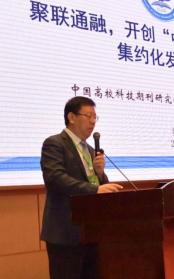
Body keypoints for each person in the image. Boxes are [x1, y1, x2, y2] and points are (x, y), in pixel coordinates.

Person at [41, 96, 123, 279]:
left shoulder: (90, 150)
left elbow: (96, 185)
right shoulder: (55, 143)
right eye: (88, 116)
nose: (93, 121)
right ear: (71, 117)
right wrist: (95, 189)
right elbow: (54, 178)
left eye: (95, 117)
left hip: (91, 231)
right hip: (65, 233)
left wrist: (100, 174)